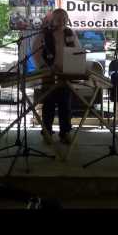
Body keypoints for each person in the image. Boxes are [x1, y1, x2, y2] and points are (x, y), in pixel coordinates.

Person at [32, 8, 81, 144]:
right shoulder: (45, 34)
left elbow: (77, 50)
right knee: (48, 104)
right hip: (49, 73)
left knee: (65, 104)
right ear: (52, 20)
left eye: (64, 18)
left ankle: (65, 132)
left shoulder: (70, 32)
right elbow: (35, 49)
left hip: (65, 74)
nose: (61, 21)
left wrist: (73, 66)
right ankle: (47, 132)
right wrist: (44, 66)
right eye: (58, 18)